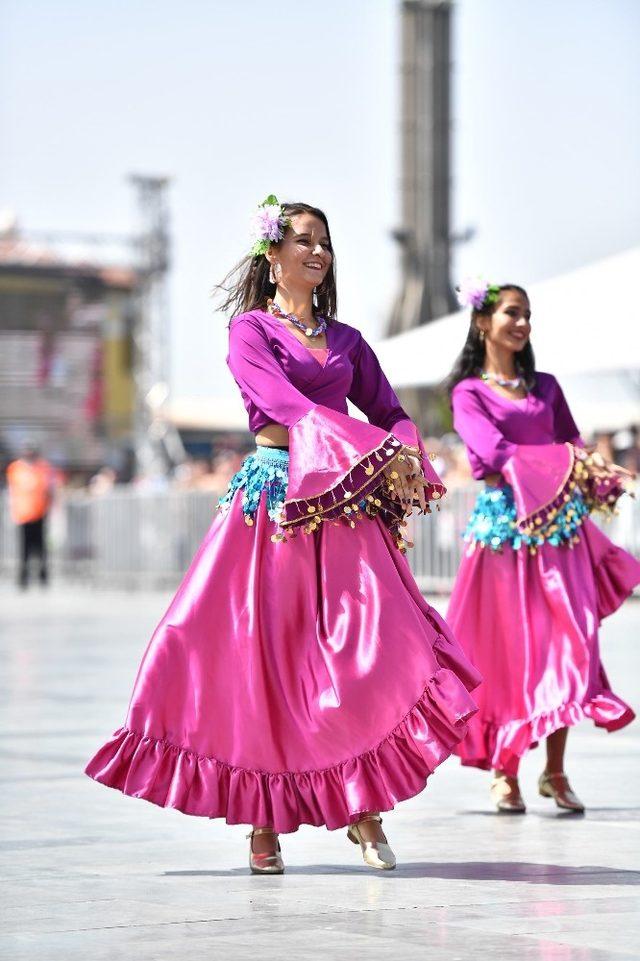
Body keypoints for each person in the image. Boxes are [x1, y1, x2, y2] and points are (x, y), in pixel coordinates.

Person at [85, 197, 480, 873]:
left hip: (347, 507)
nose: (318, 252)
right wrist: (372, 449)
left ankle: (362, 804)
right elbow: (287, 408)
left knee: (364, 649)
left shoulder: (349, 340)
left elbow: (390, 410)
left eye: (325, 241)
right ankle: (263, 820)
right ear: (274, 255)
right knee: (266, 663)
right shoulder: (251, 332)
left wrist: (408, 449)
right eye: (303, 240)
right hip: (277, 502)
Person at [446, 279, 639, 814]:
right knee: (513, 651)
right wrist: (568, 462)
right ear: (484, 322)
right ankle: (505, 770)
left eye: (527, 314)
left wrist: (597, 470)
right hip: (507, 534)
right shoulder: (468, 393)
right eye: (512, 312)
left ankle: (554, 770)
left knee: (571, 643)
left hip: (560, 534)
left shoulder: (546, 387)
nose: (522, 323)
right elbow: (494, 452)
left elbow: (573, 444)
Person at [6, 443, 55, 589]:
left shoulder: (43, 467)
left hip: (40, 512)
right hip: (23, 514)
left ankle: (42, 576)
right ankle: (23, 577)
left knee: (41, 547)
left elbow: (49, 488)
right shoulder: (15, 468)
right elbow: (11, 491)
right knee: (25, 547)